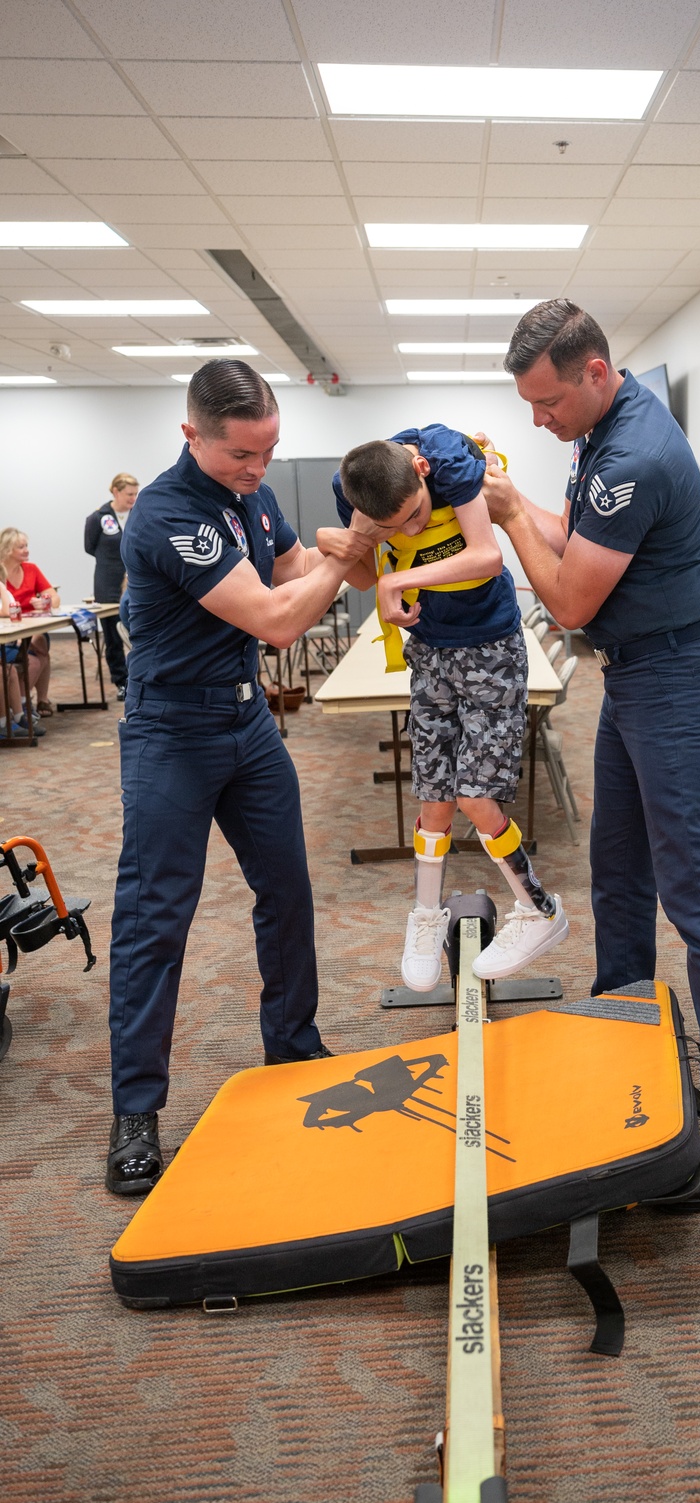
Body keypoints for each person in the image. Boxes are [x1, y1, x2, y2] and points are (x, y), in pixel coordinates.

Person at [477, 300, 700, 1212]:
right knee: (618, 870)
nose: (540, 418)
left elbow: (567, 596)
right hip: (640, 671)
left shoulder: (638, 453)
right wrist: (514, 502)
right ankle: (623, 1031)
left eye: (547, 402)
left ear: (595, 373)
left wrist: (506, 522)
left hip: (677, 677)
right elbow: (573, 537)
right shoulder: (604, 432)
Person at [106, 359, 362, 1197]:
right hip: (171, 731)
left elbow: (291, 571)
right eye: (240, 457)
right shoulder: (168, 515)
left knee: (287, 892)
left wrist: (338, 555)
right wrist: (350, 550)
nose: (257, 471)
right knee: (156, 919)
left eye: (269, 451)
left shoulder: (250, 495)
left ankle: (292, 1046)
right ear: (192, 436)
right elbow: (281, 617)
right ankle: (136, 1113)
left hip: (247, 722)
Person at [321, 425, 568, 991]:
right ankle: (425, 915)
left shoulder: (449, 460)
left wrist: (399, 577)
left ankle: (539, 908)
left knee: (476, 796)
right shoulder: (356, 488)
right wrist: (344, 545)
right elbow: (365, 570)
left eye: (416, 514)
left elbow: (484, 556)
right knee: (433, 796)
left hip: (489, 646)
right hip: (431, 650)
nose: (410, 529)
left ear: (422, 472)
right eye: (396, 525)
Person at [84, 472, 139, 700]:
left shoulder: (140, 514)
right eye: (129, 494)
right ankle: (121, 681)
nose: (133, 498)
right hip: (108, 584)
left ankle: (138, 679)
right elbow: (89, 546)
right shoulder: (98, 517)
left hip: (137, 581)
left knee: (136, 631)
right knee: (113, 636)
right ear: (116, 492)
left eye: (136, 494)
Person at [0, 528, 61, 715]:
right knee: (37, 654)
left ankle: (27, 703)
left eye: (26, 546)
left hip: (33, 627)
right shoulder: (0, 573)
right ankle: (22, 705)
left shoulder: (31, 569)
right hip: (10, 630)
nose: (27, 550)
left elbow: (54, 597)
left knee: (39, 642)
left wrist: (45, 603)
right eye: (21, 547)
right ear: (7, 549)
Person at [0, 561, 45, 739]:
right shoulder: (3, 592)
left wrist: (3, 590)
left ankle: (18, 718)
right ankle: (3, 723)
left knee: (9, 671)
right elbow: (5, 612)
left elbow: (12, 610)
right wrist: (2, 590)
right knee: (3, 671)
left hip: (6, 643)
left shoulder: (5, 592)